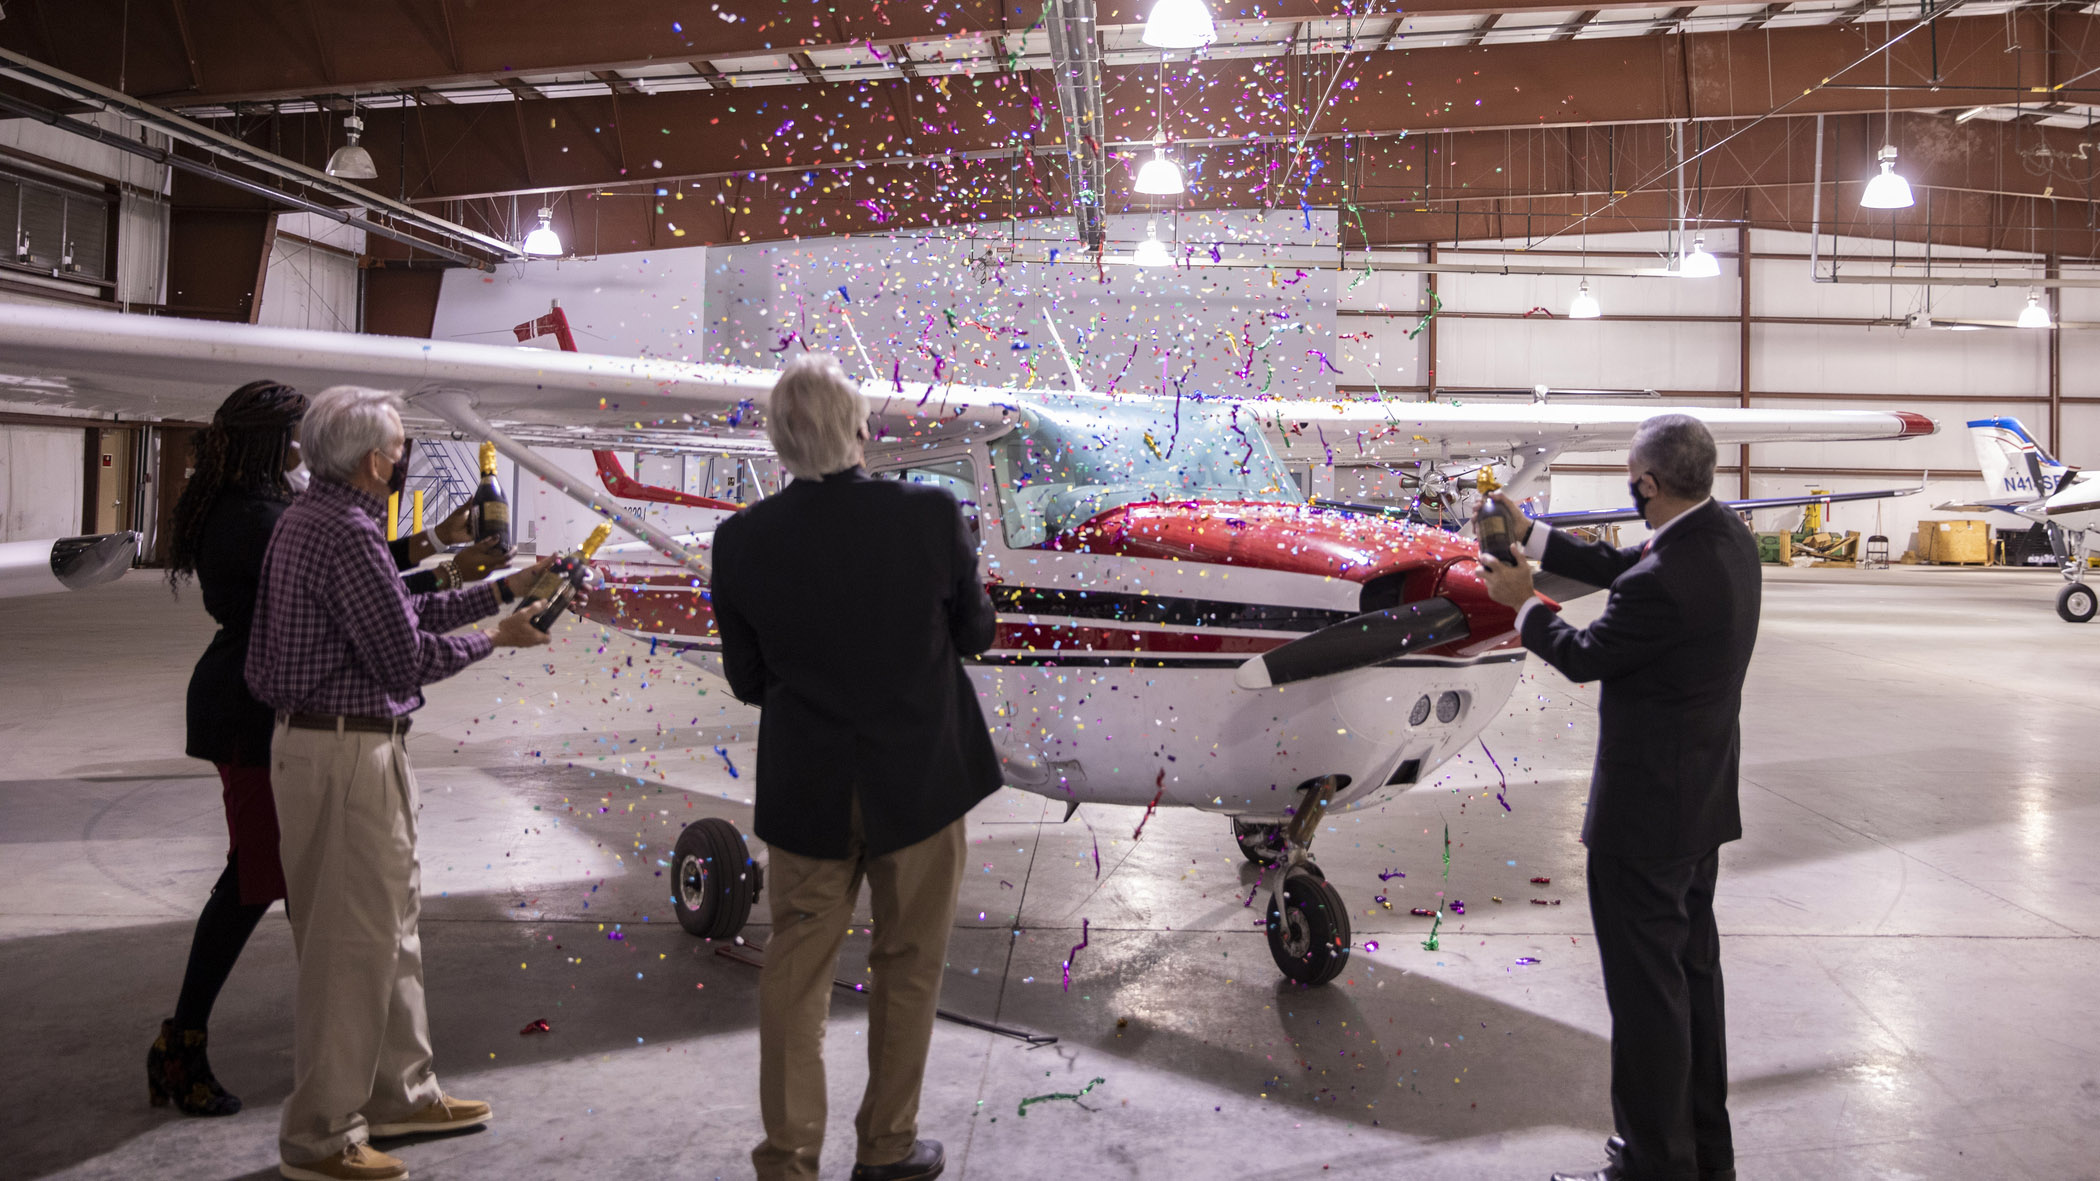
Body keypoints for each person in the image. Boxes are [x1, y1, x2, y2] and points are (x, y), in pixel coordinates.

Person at [151, 383, 512, 1120]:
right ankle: (186, 1040)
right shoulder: (259, 518)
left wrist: (454, 559)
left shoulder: (275, 511)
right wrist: (470, 585)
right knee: (258, 882)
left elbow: (377, 574)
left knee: (297, 888)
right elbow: (376, 586)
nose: (296, 451)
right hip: (258, 714)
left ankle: (372, 1064)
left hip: (277, 703)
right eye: (286, 435)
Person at [246, 385, 553, 1181]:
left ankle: (400, 1092)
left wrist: (508, 586)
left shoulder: (318, 522)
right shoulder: (345, 532)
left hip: (340, 749)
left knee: (389, 930)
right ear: (366, 457)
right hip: (344, 756)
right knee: (351, 950)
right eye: (394, 445)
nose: (401, 456)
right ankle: (321, 1135)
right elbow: (407, 657)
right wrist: (501, 636)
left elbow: (398, 621)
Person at [711, 353, 999, 1181]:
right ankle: (888, 1148)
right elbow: (975, 633)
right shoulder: (932, 515)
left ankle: (789, 1159)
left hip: (808, 791)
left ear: (777, 442)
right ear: (860, 428)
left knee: (796, 977)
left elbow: (749, 680)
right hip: (921, 783)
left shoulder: (741, 541)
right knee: (908, 967)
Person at [1477, 414, 1755, 1181]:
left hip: (1644, 823)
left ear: (1648, 483)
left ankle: (1650, 1166)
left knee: (1645, 1005)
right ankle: (1701, 1156)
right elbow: (1628, 567)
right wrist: (1534, 537)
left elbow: (1586, 654)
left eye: (1633, 479)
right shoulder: (1723, 537)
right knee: (1692, 985)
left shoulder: (1664, 583)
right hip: (1699, 806)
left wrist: (1522, 601)